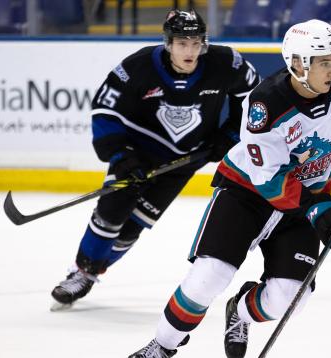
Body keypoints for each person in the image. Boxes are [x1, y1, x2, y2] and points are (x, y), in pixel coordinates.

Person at [122, 19, 331, 358]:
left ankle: (240, 312)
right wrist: (320, 211)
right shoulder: (265, 106)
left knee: (290, 297)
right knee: (208, 276)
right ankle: (163, 344)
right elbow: (270, 180)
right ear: (298, 65)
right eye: (324, 62)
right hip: (248, 192)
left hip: (306, 200)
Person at [50, 9, 260, 310]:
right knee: (113, 209)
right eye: (182, 43)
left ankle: (94, 269)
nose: (190, 51)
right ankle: (82, 272)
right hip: (138, 152)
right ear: (168, 44)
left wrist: (228, 137)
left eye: (196, 43)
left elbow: (254, 98)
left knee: (134, 226)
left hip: (185, 159)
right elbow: (104, 110)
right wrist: (120, 156)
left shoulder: (225, 62)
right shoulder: (139, 65)